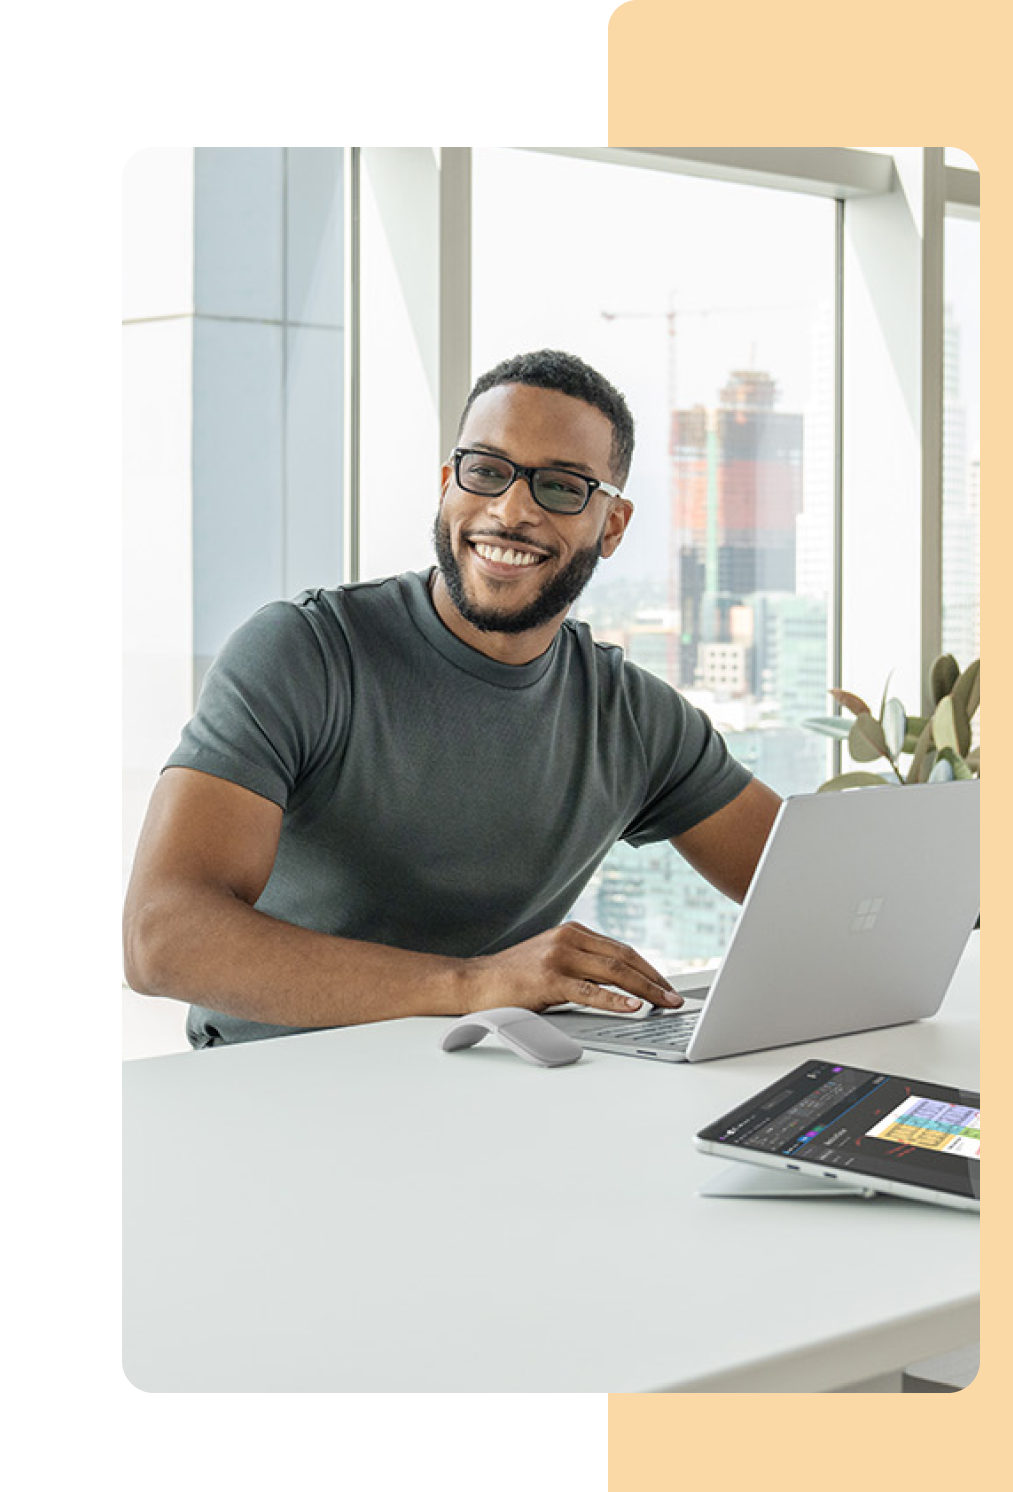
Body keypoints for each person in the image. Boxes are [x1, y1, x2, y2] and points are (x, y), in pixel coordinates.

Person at [123, 349, 783, 1048]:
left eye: (560, 487)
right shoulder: (306, 653)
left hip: (488, 1093)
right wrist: (473, 984)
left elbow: (815, 896)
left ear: (612, 526)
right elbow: (161, 938)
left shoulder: (633, 718)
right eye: (487, 471)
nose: (510, 510)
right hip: (269, 1097)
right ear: (447, 484)